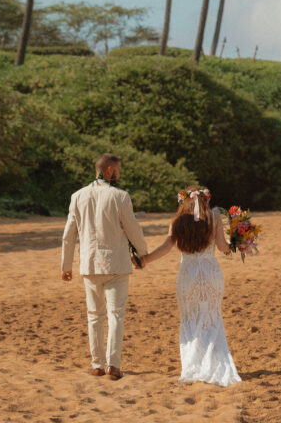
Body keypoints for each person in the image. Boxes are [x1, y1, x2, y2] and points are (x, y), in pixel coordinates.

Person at [61, 153, 148, 380]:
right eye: (118, 169)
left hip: (89, 264)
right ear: (109, 170)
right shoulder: (120, 196)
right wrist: (143, 254)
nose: (119, 174)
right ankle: (114, 365)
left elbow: (68, 235)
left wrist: (66, 265)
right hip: (116, 264)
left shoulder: (77, 196)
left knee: (94, 315)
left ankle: (97, 364)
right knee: (116, 315)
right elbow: (132, 229)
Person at [143, 186, 241, 386]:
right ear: (206, 199)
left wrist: (145, 260)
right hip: (211, 274)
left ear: (184, 200)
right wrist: (237, 241)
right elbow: (223, 248)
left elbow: (167, 246)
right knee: (211, 319)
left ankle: (194, 366)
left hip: (188, 276)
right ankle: (214, 365)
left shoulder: (178, 220)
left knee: (190, 320)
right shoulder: (213, 217)